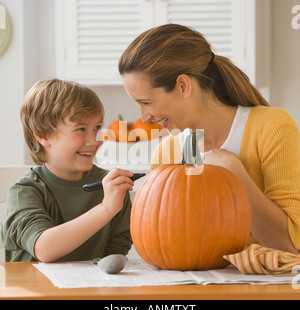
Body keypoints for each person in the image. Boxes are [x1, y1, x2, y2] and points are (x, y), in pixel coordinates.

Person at [119, 23, 300, 254]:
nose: (144, 117)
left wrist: (236, 175)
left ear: (183, 85)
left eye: (146, 102)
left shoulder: (271, 127)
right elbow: (169, 244)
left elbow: (290, 244)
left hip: (261, 286)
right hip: (196, 284)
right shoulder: (168, 153)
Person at [1, 79, 134, 262]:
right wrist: (106, 209)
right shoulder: (25, 191)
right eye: (81, 129)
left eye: (96, 127)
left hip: (86, 289)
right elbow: (44, 249)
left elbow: (115, 252)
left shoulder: (111, 186)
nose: (94, 140)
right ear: (43, 135)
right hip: (35, 290)